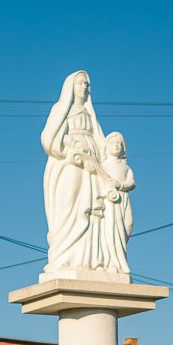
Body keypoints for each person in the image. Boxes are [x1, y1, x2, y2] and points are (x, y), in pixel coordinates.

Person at [40, 71, 107, 274]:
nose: (85, 87)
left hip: (92, 164)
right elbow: (48, 138)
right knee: (68, 204)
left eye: (87, 84)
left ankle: (87, 258)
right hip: (70, 163)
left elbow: (101, 141)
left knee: (91, 207)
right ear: (70, 86)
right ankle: (63, 254)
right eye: (81, 83)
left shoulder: (89, 114)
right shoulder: (61, 109)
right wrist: (68, 148)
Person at [91, 131, 134, 275]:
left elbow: (131, 183)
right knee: (110, 229)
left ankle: (121, 255)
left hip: (123, 199)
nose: (116, 146)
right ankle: (113, 262)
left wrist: (119, 185)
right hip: (110, 200)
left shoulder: (126, 167)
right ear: (106, 146)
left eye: (119, 144)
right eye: (112, 143)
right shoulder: (103, 166)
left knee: (127, 225)